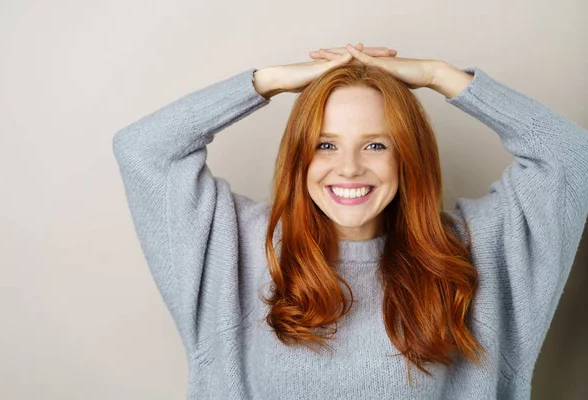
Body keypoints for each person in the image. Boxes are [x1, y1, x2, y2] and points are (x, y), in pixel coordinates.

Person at [112, 43, 588, 399]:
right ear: (300, 157)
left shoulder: (470, 250)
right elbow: (144, 150)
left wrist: (438, 76)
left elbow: (570, 158)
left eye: (376, 145)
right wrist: (269, 81)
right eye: (325, 143)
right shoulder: (238, 246)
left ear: (408, 158)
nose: (349, 167)